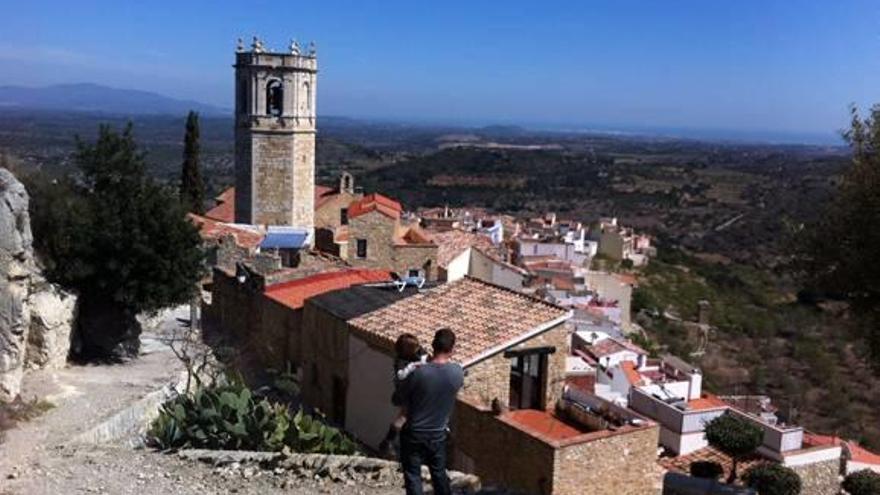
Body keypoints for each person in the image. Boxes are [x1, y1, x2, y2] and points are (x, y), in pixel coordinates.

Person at [393, 328, 464, 495]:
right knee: (439, 475)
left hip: (414, 433)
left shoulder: (418, 373)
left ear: (432, 346)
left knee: (413, 476)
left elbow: (398, 399)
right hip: (438, 434)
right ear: (452, 349)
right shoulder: (457, 373)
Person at [378, 333, 428, 457]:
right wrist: (413, 367)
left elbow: (426, 359)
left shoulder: (419, 352)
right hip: (407, 391)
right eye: (412, 347)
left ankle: (390, 441)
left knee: (405, 417)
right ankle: (390, 442)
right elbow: (401, 376)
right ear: (405, 350)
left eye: (416, 346)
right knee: (405, 416)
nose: (416, 348)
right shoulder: (401, 361)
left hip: (414, 391)